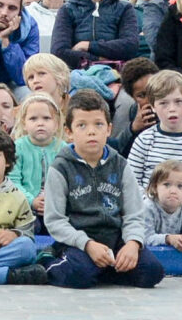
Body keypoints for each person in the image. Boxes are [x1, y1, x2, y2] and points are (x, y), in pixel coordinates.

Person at [39, 90, 163, 288]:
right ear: (69, 132)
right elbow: (55, 220)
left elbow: (134, 214)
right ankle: (47, 262)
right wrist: (87, 244)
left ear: (109, 129)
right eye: (82, 125)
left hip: (115, 239)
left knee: (152, 272)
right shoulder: (61, 168)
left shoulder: (121, 165)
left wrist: (133, 243)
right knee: (79, 275)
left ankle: (103, 270)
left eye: (98, 124)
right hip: (77, 241)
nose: (91, 131)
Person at [122, 71, 182, 194]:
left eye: (178, 102)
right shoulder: (144, 140)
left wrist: (179, 201)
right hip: (150, 206)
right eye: (163, 103)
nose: (172, 109)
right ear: (153, 106)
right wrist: (155, 202)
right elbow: (132, 182)